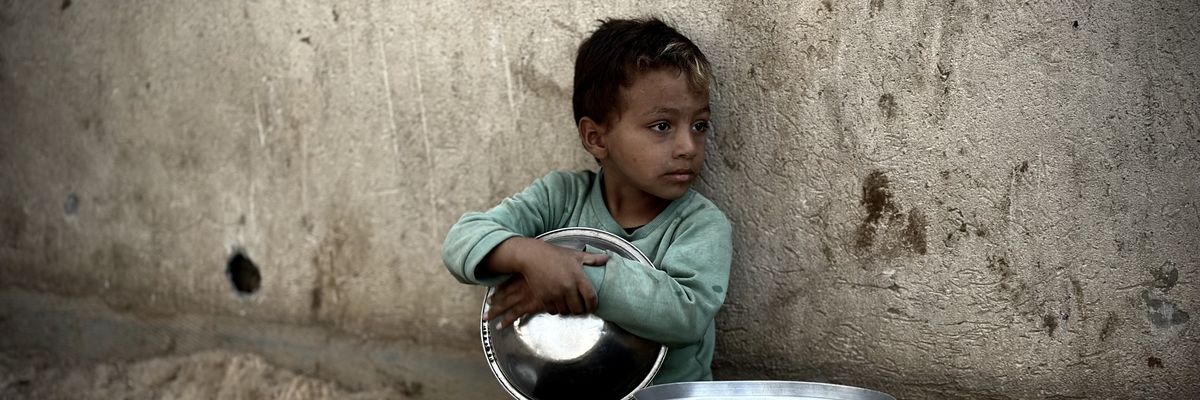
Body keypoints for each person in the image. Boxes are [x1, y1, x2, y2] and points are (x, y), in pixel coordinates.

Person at [441, 17, 732, 384]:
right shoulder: (559, 198)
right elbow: (462, 239)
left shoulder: (699, 224)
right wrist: (531, 257)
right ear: (596, 138)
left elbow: (686, 315)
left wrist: (574, 278)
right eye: (662, 126)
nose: (688, 147)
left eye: (699, 125)